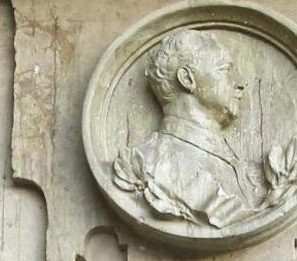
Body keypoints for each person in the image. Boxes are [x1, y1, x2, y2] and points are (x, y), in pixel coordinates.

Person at [113, 29, 265, 228]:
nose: (238, 84)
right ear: (187, 79)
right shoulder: (149, 165)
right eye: (225, 70)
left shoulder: (245, 170)